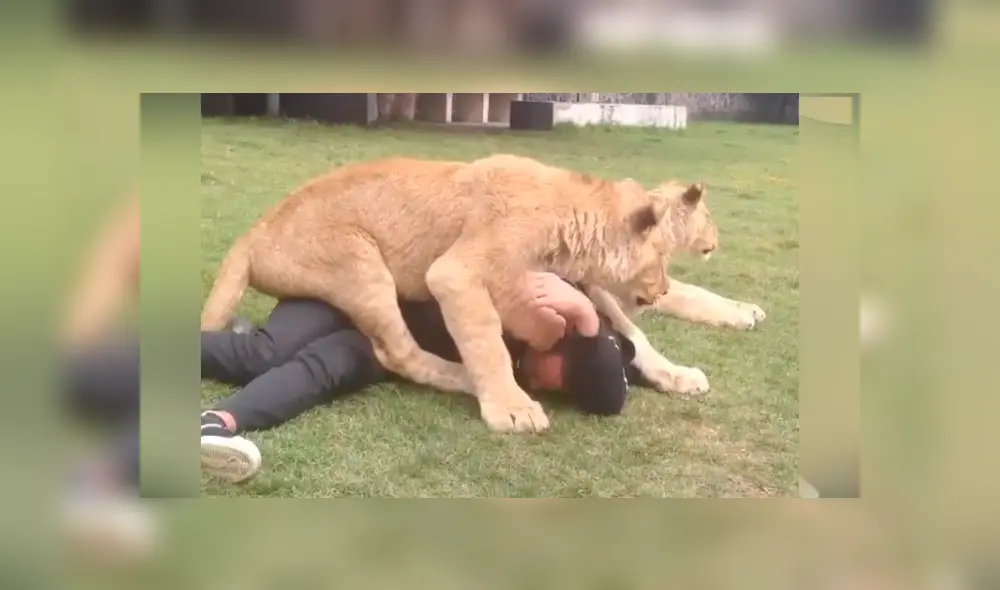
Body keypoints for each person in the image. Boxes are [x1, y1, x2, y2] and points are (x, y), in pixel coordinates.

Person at [201, 272, 643, 483]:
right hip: (351, 287)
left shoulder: (531, 371)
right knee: (263, 355)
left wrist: (588, 316)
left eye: (558, 393)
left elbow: (611, 393)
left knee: (328, 368)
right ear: (564, 335)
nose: (542, 388)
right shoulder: (532, 287)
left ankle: (216, 424)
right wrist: (581, 310)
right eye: (556, 380)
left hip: (385, 347)